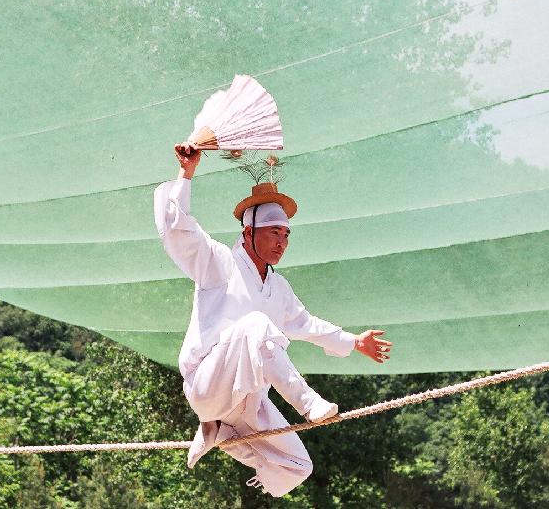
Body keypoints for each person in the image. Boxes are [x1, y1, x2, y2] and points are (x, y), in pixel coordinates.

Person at [153, 142, 392, 497]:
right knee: (256, 326)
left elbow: (306, 324)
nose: (281, 242)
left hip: (242, 403)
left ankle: (224, 437)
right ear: (248, 233)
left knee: (296, 467)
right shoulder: (220, 264)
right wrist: (185, 174)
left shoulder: (278, 288)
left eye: (285, 235)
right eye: (273, 233)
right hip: (207, 385)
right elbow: (178, 230)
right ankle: (307, 403)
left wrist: (354, 341)